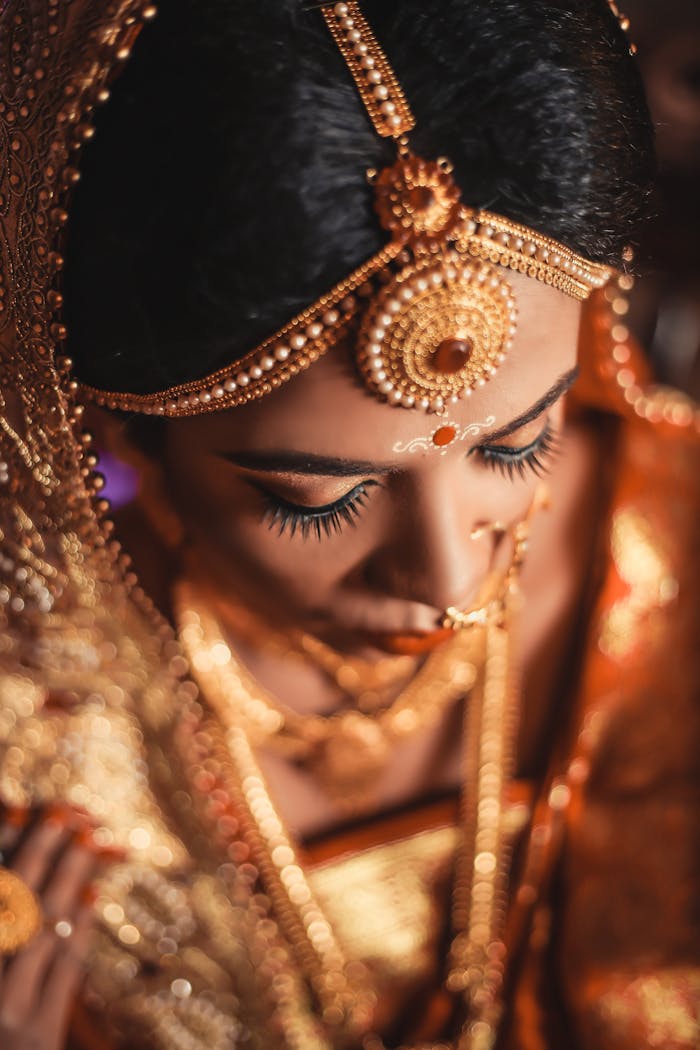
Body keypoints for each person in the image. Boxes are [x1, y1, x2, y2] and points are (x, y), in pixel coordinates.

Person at [0, 1, 697, 1049]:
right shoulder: (37, 728)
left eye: (514, 445)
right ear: (109, 427)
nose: (449, 583)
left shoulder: (675, 555)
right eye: (317, 499)